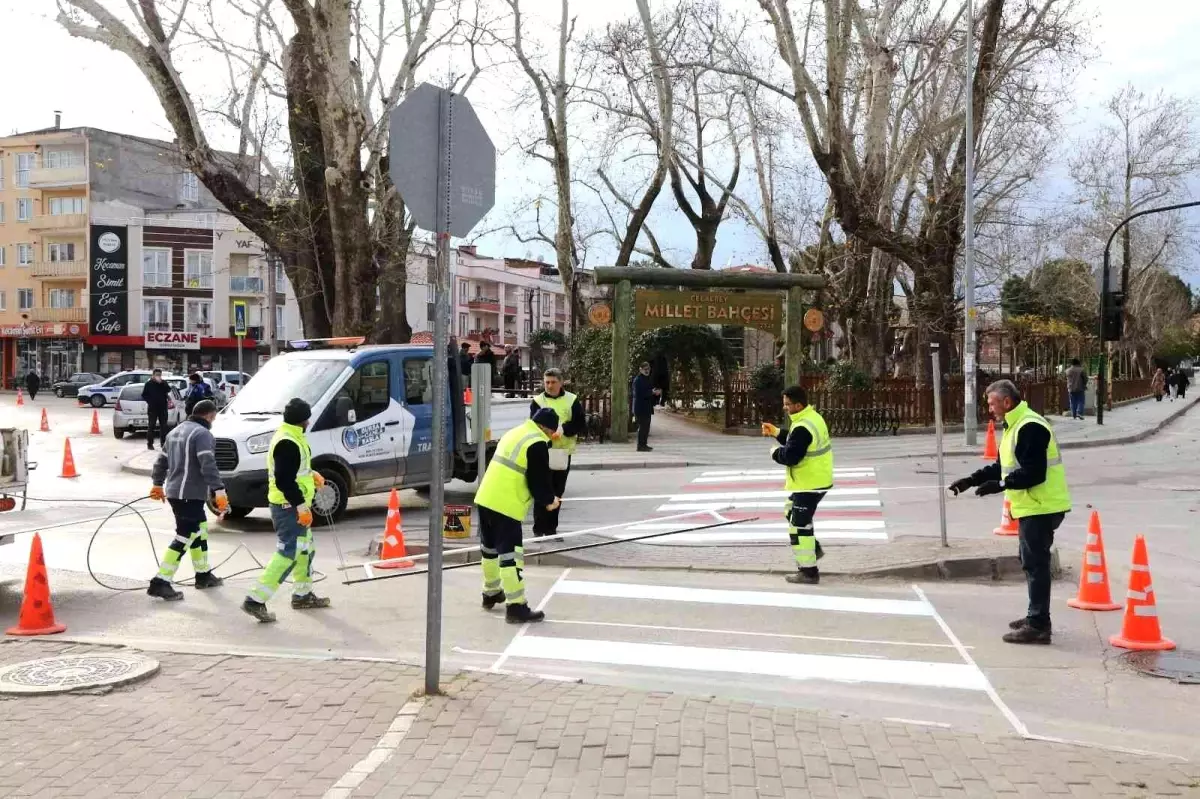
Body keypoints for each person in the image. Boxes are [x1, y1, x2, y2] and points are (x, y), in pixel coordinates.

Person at [949, 380, 1071, 644]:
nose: (989, 408)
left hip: (1041, 505)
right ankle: (1035, 616)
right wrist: (970, 480)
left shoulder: (1030, 426)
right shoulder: (1015, 424)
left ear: (1006, 402)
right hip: (1032, 505)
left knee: (1036, 564)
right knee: (1029, 561)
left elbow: (1034, 473)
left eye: (992, 403)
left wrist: (1000, 485)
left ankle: (1038, 625)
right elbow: (1001, 465)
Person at [242, 398, 330, 622]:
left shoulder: (291, 436)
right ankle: (255, 600)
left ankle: (302, 595)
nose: (309, 422)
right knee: (288, 553)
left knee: (306, 550)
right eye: (308, 418)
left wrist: (312, 474)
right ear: (304, 420)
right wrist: (301, 506)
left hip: (292, 504)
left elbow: (295, 471)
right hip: (288, 506)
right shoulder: (288, 442)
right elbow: (284, 480)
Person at [475, 407, 561, 623]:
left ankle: (491, 592)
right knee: (510, 556)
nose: (551, 437)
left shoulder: (515, 432)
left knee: (489, 550)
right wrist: (550, 501)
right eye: (551, 433)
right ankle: (516, 607)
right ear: (547, 429)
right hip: (506, 504)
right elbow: (538, 481)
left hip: (486, 497)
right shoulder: (537, 442)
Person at [146, 399, 227, 601]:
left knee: (199, 531)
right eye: (214, 418)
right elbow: (207, 463)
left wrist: (157, 483)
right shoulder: (202, 434)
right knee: (185, 535)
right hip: (189, 494)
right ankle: (160, 582)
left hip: (176, 493)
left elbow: (161, 461)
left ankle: (203, 575)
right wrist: (219, 489)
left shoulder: (175, 432)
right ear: (209, 415)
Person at [762, 385, 832, 585]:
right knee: (791, 511)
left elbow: (791, 455)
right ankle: (814, 549)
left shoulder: (803, 426)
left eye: (787, 404)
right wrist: (776, 432)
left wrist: (775, 452)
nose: (784, 407)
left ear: (798, 405)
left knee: (799, 526)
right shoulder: (810, 418)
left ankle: (808, 572)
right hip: (815, 480)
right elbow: (796, 441)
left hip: (809, 483)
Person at [529, 368, 585, 537]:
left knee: (557, 492)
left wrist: (563, 429)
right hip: (542, 452)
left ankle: (551, 529)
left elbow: (580, 424)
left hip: (562, 452)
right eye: (547, 382)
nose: (550, 386)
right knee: (541, 490)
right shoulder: (537, 401)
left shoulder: (572, 400)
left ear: (561, 382)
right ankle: (539, 529)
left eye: (553, 382)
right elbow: (532, 425)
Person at [631, 362, 660, 452]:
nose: (647, 371)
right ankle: (640, 446)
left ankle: (644, 444)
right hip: (640, 407)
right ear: (640, 369)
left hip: (647, 407)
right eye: (645, 369)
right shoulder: (637, 380)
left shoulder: (647, 379)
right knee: (642, 427)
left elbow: (650, 390)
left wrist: (655, 392)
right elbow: (638, 394)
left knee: (646, 427)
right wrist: (651, 392)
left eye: (648, 369)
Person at [143, 368, 173, 450]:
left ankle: (163, 443)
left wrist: (162, 383)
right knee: (151, 426)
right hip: (153, 408)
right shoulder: (148, 384)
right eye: (156, 375)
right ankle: (150, 444)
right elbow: (144, 395)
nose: (158, 376)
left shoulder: (164, 383)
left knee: (163, 426)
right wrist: (150, 402)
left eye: (159, 375)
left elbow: (168, 390)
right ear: (153, 375)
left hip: (163, 408)